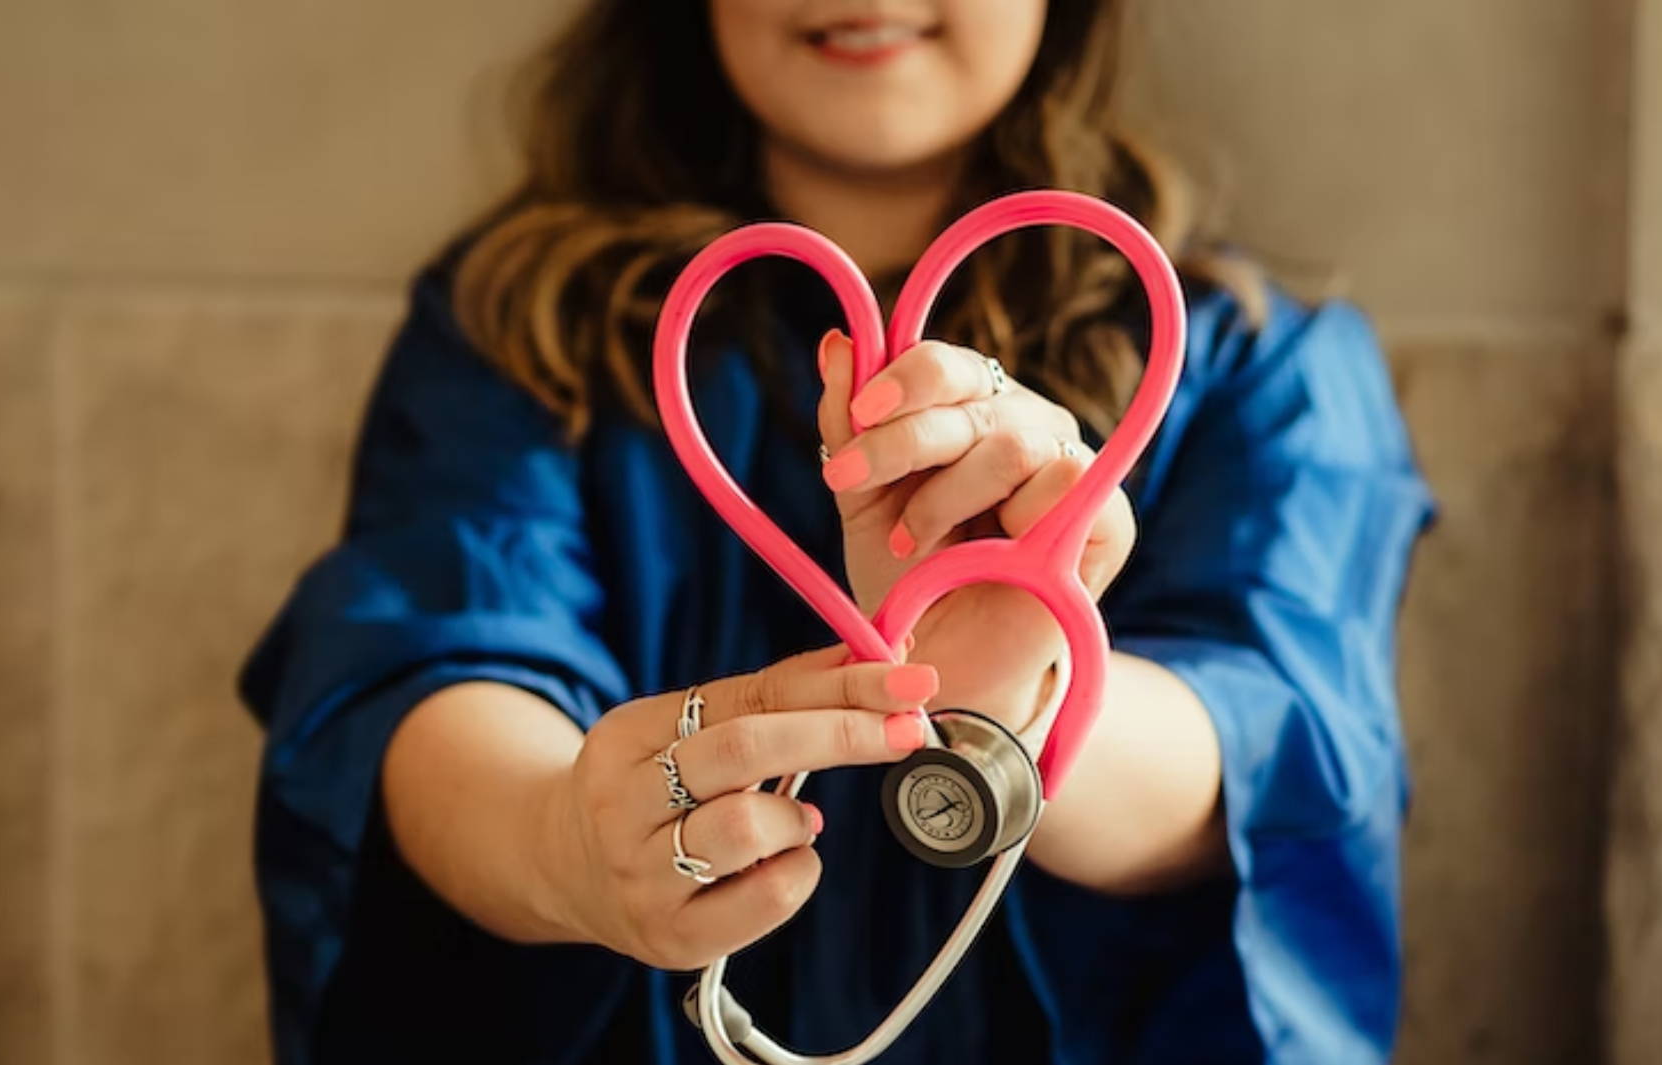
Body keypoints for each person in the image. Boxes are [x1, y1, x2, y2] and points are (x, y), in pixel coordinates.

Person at [239, 1, 1436, 1062]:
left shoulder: (1255, 364)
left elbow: (1276, 742)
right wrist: (561, 844)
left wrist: (1006, 707)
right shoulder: (514, 334)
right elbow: (421, 660)